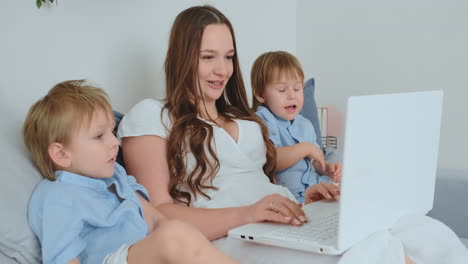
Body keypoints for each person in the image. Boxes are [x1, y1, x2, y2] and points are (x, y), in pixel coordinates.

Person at [118, 5, 467, 264]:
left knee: (419, 230)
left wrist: (306, 197)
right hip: (231, 235)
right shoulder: (151, 115)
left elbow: (265, 181)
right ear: (182, 58)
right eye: (208, 57)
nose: (222, 70)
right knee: (372, 252)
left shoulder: (244, 117)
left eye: (228, 57)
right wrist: (247, 214)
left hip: (284, 220)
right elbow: (159, 212)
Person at [23, 80, 238, 264]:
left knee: (178, 232)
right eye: (99, 136)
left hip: (142, 252)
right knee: (175, 236)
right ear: (61, 154)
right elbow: (62, 258)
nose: (115, 142)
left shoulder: (115, 173)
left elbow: (156, 221)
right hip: (112, 259)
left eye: (112, 131)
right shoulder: (58, 195)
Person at [251, 51, 342, 203]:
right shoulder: (263, 120)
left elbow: (315, 161)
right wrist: (305, 148)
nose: (291, 95)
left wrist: (327, 168)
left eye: (297, 88)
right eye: (282, 90)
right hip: (290, 199)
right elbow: (271, 160)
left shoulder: (304, 124)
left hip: (316, 190)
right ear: (261, 94)